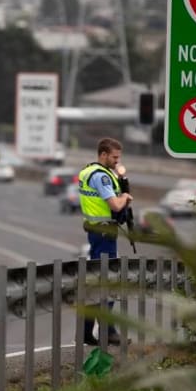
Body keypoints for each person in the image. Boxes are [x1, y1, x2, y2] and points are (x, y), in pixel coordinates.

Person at [76, 137, 133, 345]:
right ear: (103, 155)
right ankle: (107, 331)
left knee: (99, 281)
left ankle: (86, 331)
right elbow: (115, 205)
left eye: (119, 157)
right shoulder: (102, 177)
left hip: (96, 231)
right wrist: (125, 197)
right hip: (103, 233)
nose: (117, 161)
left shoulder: (88, 171)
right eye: (114, 157)